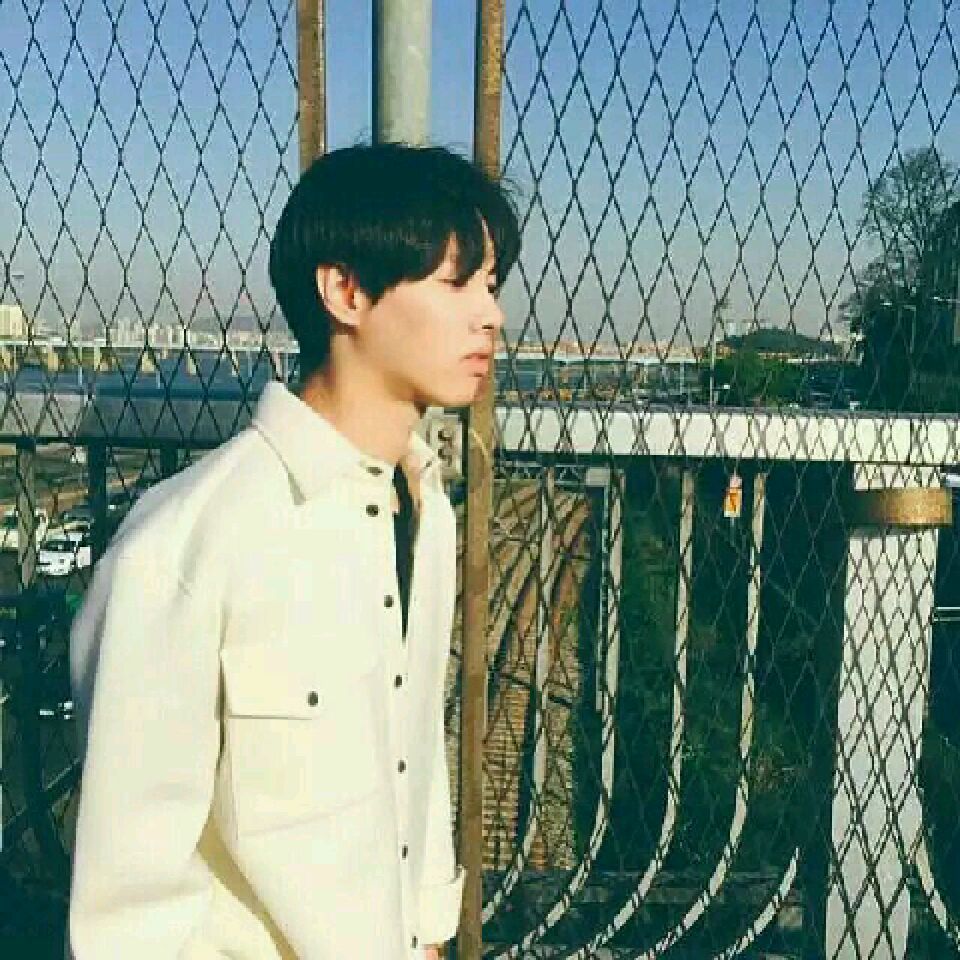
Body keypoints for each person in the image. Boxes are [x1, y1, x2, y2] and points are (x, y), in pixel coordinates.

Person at [66, 142, 520, 959]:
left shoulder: (425, 509)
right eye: (457, 283)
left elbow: (410, 757)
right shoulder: (186, 548)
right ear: (345, 291)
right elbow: (125, 907)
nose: (491, 316)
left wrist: (424, 935)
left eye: (491, 286)